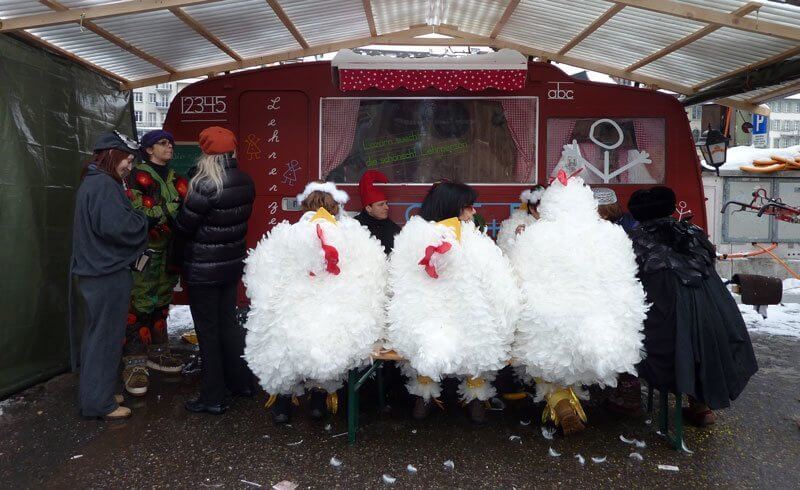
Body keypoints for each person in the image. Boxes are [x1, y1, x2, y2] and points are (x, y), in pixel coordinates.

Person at [508, 171, 648, 435]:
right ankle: (571, 403)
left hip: (548, 318)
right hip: (597, 322)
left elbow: (519, 278)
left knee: (545, 359)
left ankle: (561, 403)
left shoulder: (536, 234)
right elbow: (625, 281)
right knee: (574, 360)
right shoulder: (610, 235)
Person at [244, 181, 387, 424]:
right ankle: (320, 399)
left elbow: (261, 273)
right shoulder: (351, 235)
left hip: (292, 315)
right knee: (329, 340)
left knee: (284, 341)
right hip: (333, 316)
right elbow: (372, 275)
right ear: (334, 208)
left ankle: (283, 402)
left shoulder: (288, 234)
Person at [386, 182, 520, 424]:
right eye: (468, 207)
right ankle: (460, 394)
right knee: (466, 336)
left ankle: (444, 395)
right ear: (452, 208)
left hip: (452, 319)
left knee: (471, 333)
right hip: (434, 319)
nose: (473, 213)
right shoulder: (457, 239)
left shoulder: (417, 237)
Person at [626, 186, 758, 426]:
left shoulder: (634, 243)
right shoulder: (693, 235)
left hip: (664, 340)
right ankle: (700, 404)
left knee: (622, 329)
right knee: (692, 333)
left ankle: (628, 396)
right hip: (719, 331)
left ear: (636, 214)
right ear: (672, 207)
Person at [174, 126, 255, 415]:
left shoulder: (205, 185)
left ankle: (212, 397)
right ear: (233, 151)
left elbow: (184, 226)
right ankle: (241, 384)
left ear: (206, 153)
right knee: (228, 327)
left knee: (208, 333)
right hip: (230, 266)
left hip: (203, 270)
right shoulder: (245, 181)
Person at [72, 131, 148, 420]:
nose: (129, 166)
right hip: (106, 274)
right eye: (127, 160)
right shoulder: (104, 185)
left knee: (97, 337)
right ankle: (99, 403)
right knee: (104, 338)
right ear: (113, 155)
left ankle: (97, 394)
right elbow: (117, 227)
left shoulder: (93, 182)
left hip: (95, 273)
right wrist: (141, 219)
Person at [122, 129, 188, 397]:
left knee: (162, 300)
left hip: (170, 250)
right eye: (162, 143)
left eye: (170, 142)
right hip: (145, 251)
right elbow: (140, 213)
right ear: (148, 149)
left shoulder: (175, 176)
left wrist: (169, 210)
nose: (169, 147)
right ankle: (134, 363)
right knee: (138, 303)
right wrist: (172, 208)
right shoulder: (137, 176)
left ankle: (159, 353)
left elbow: (183, 207)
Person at [592, 187, 644, 416]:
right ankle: (625, 390)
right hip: (628, 294)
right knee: (624, 341)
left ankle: (625, 393)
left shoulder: (607, 230)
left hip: (612, 293)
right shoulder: (631, 223)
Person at [354, 170, 401, 254]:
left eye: (386, 203)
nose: (386, 207)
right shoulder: (354, 226)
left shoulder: (393, 228)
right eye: (381, 205)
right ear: (368, 208)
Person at [496, 185, 544, 255]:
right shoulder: (516, 223)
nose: (547, 210)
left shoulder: (552, 221)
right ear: (532, 208)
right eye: (542, 208)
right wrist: (517, 237)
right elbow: (504, 248)